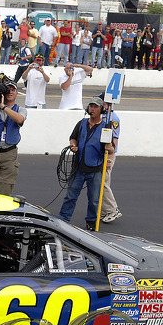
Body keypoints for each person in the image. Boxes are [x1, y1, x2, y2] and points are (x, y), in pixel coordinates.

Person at [58, 96, 120, 230]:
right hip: (78, 167)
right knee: (70, 196)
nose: (92, 109)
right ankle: (63, 219)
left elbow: (110, 148)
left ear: (101, 110)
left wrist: (109, 149)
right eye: (90, 106)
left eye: (95, 107)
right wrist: (73, 146)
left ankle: (91, 222)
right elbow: (73, 138)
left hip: (96, 169)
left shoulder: (106, 126)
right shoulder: (81, 123)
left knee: (94, 199)